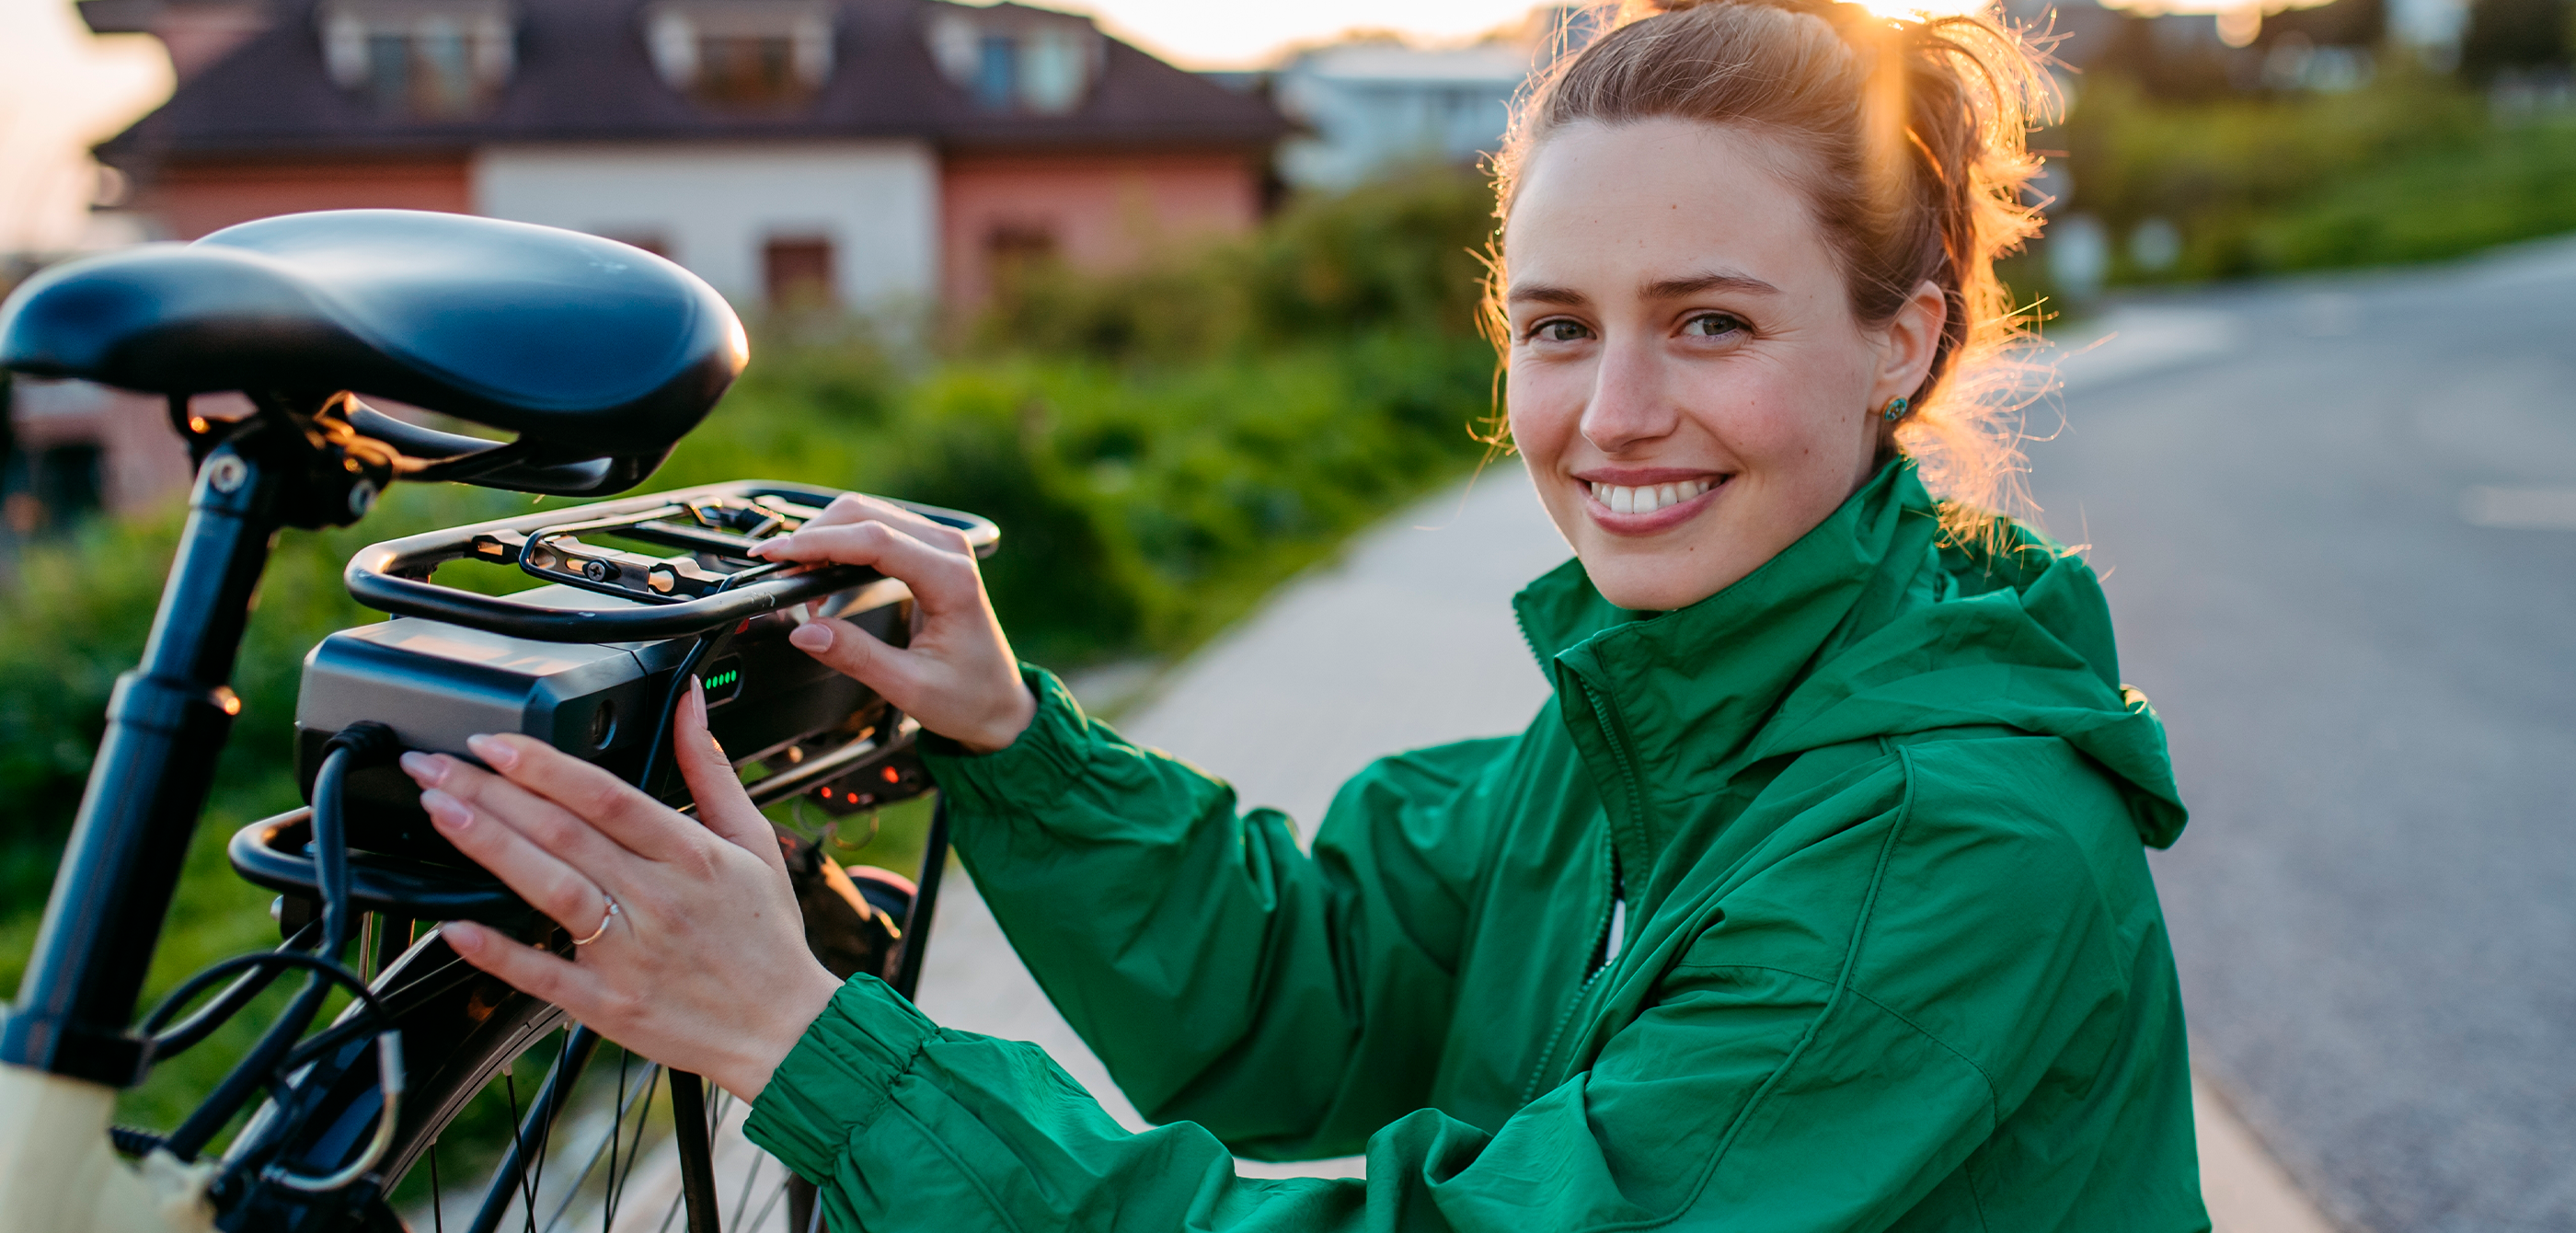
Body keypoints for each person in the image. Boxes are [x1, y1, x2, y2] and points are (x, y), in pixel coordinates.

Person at [396, 0, 2207, 1227]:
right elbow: (1318, 991)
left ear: (1901, 335)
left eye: (1709, 321)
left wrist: (805, 1045)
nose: (1610, 414)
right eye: (1558, 325)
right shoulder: (1674, 705)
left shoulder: (1931, 836)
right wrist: (1020, 746)